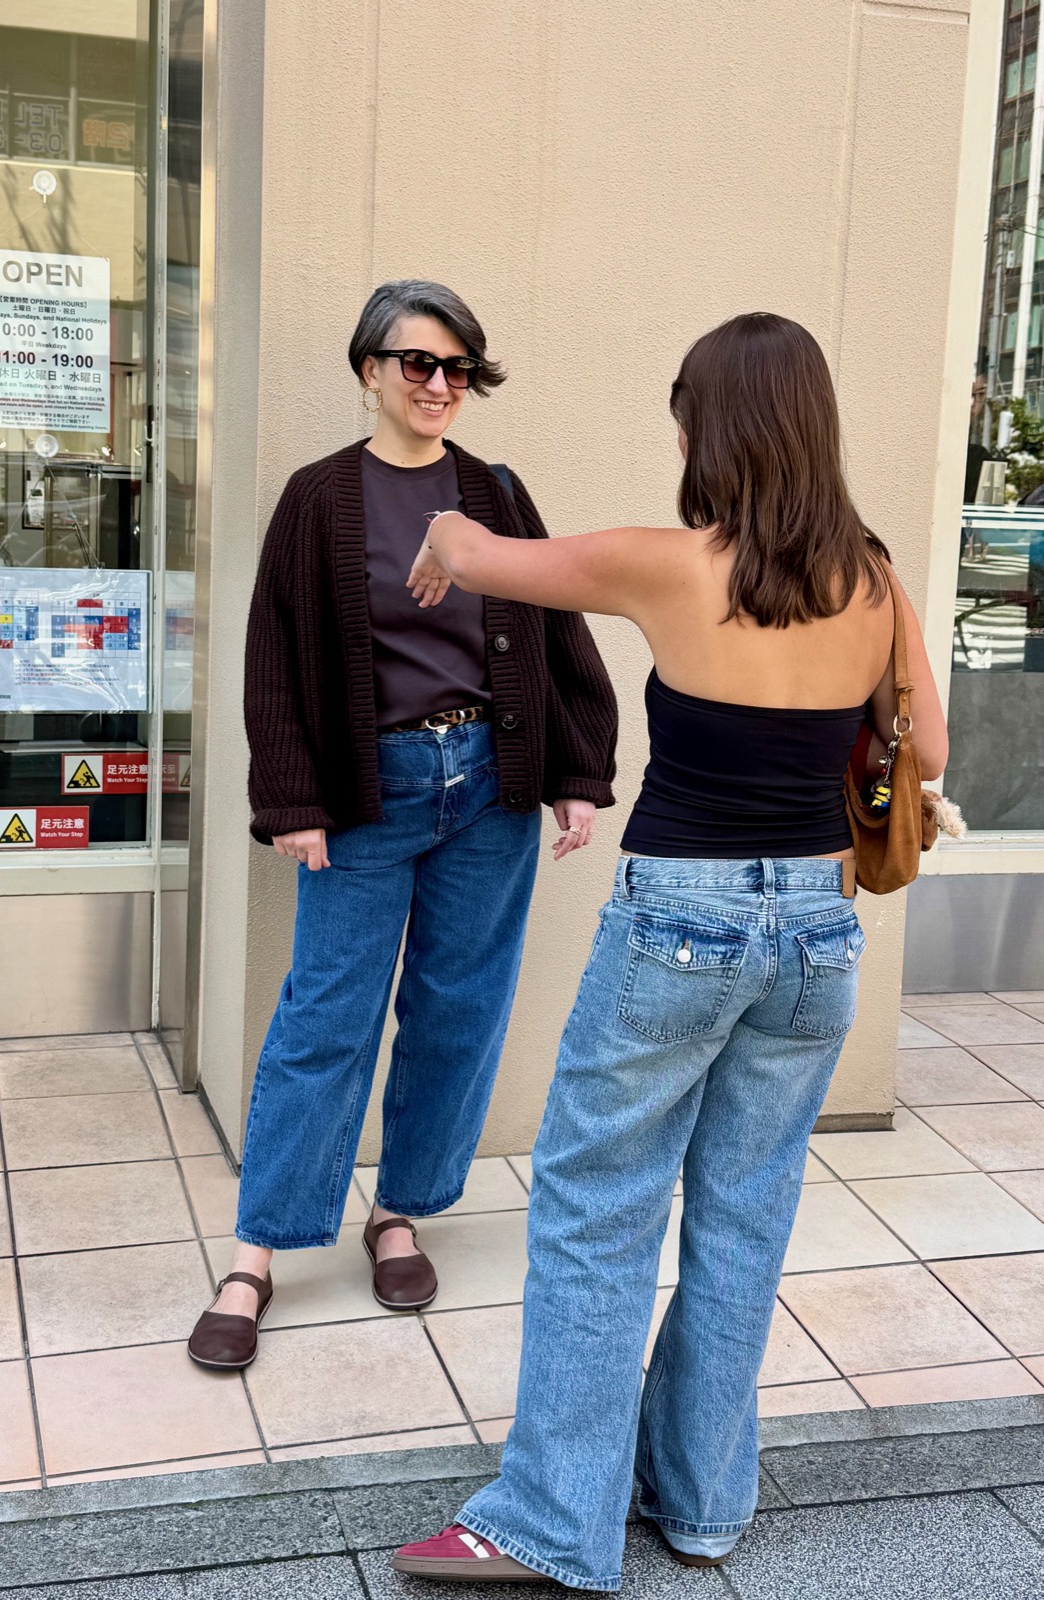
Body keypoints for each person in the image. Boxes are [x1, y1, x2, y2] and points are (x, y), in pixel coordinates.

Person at [392, 312, 949, 1589]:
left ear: (713, 427)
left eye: (683, 412)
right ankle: (700, 1504)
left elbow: (490, 556)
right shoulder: (868, 575)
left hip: (678, 925)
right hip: (816, 930)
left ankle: (549, 1518)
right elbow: (929, 753)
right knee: (743, 1218)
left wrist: (439, 531)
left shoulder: (665, 563)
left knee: (596, 1215)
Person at [187, 280, 618, 1370]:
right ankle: (255, 1251)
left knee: (456, 1008)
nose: (438, 384)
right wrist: (289, 800)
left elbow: (550, 624)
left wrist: (575, 770)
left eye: (457, 368)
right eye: (416, 363)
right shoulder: (317, 497)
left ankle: (399, 1212)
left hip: (486, 782)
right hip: (366, 791)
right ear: (369, 369)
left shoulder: (494, 492)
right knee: (325, 1012)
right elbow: (274, 660)